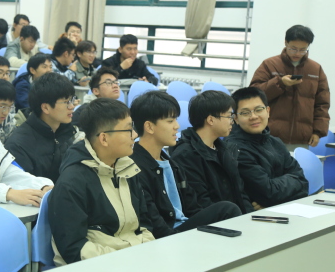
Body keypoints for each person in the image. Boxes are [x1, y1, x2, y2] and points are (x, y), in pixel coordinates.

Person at [48, 98, 155, 266]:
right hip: (94, 269)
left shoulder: (127, 169)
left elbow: (145, 224)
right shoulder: (72, 183)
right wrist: (127, 260)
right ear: (104, 139)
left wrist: (147, 252)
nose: (135, 135)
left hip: (133, 260)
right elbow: (73, 248)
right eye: (128, 130)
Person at [130, 91, 242, 238]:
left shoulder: (171, 163)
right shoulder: (135, 168)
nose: (177, 126)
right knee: (227, 209)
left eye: (176, 120)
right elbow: (155, 225)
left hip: (184, 228)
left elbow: (193, 208)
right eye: (170, 121)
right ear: (149, 127)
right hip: (168, 237)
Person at [170, 91, 253, 213]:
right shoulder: (186, 155)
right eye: (229, 116)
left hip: (233, 217)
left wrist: (250, 217)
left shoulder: (225, 149)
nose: (232, 121)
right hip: (215, 220)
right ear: (211, 120)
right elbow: (201, 204)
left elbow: (240, 193)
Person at [250, 25, 330, 151]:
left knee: (295, 165)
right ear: (285, 42)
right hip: (270, 136)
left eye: (303, 50)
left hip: (301, 139)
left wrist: (318, 132)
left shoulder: (316, 69)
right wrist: (280, 83)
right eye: (293, 48)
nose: (297, 53)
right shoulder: (269, 64)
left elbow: (322, 104)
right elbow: (254, 94)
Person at [227, 87, 309, 209]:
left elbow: (303, 182)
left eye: (258, 110)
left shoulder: (276, 142)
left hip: (280, 210)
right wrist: (286, 189)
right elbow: (269, 193)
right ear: (236, 119)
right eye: (245, 113)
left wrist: (271, 202)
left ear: (268, 111)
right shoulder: (235, 149)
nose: (253, 116)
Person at [5, 73, 82, 183]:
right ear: (45, 108)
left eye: (72, 100)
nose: (72, 106)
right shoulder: (18, 145)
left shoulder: (64, 133)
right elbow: (22, 186)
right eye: (66, 102)